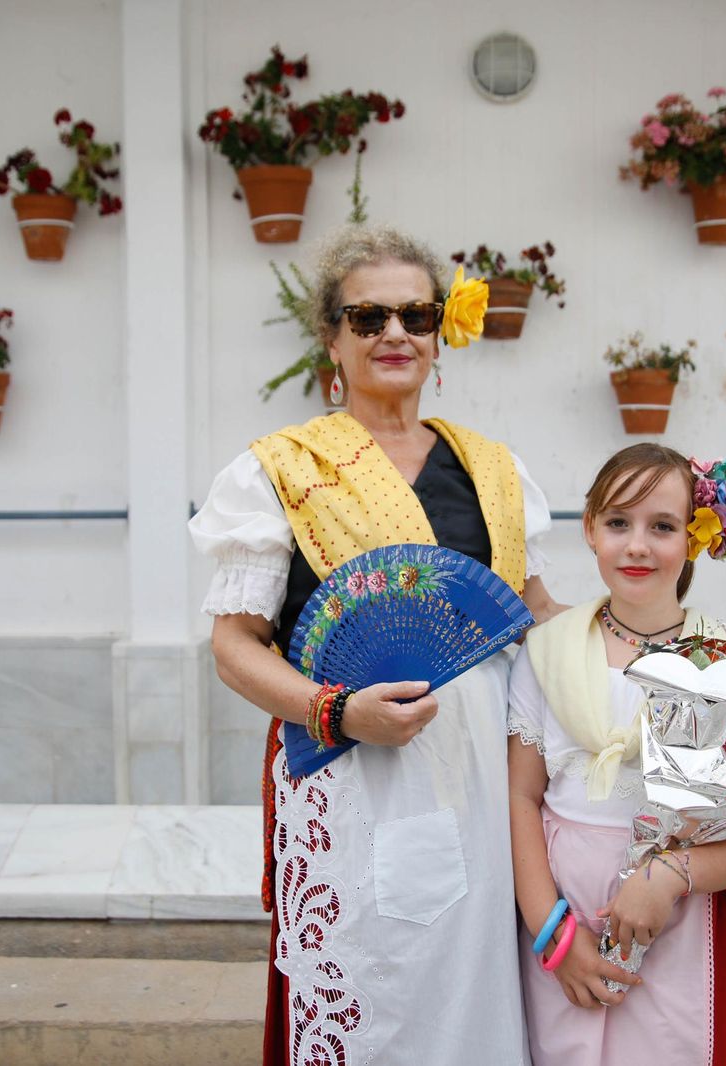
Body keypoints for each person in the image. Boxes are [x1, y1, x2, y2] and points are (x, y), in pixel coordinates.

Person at [190, 223, 561, 1066]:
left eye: (416, 315)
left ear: (439, 334)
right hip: (353, 775)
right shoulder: (278, 472)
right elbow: (234, 645)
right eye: (369, 318)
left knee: (475, 991)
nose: (396, 334)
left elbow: (536, 615)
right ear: (332, 338)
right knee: (374, 996)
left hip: (484, 782)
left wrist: (655, 641)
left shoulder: (495, 470)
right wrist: (336, 711)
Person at [507, 443, 726, 1066]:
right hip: (561, 914)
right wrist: (551, 932)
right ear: (589, 529)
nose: (637, 545)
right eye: (617, 523)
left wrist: (669, 877)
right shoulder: (546, 652)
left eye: (662, 526)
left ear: (696, 535)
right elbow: (521, 798)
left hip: (677, 924)